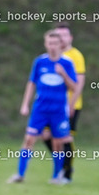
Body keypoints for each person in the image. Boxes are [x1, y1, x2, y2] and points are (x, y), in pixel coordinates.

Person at [7, 30, 77, 184]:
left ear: (61, 45)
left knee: (57, 143)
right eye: (49, 43)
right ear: (46, 44)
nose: (52, 46)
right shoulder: (39, 62)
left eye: (55, 43)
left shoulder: (67, 63)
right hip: (40, 109)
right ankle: (20, 174)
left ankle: (56, 176)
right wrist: (25, 104)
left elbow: (74, 87)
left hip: (58, 110)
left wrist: (64, 75)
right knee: (29, 140)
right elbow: (31, 83)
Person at [42, 23, 86, 183]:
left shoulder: (75, 55)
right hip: (52, 105)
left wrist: (71, 104)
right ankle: (60, 165)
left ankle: (67, 173)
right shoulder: (53, 56)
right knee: (46, 135)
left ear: (70, 37)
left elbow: (79, 82)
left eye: (64, 35)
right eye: (58, 35)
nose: (61, 39)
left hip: (69, 105)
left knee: (65, 138)